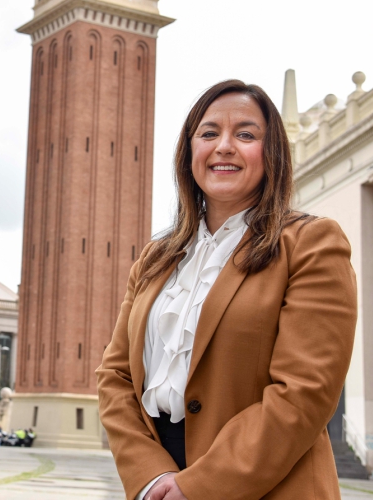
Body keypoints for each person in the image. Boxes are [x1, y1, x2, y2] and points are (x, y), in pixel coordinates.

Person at [96, 80, 357, 500]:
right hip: (160, 483)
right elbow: (114, 377)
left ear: (271, 155)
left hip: (269, 486)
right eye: (209, 133)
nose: (224, 146)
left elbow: (304, 394)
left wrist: (197, 488)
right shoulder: (155, 259)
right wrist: (150, 476)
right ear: (190, 152)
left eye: (246, 135)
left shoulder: (311, 244)